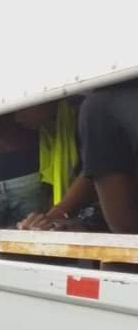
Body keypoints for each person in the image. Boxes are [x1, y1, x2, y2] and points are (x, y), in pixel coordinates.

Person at [20, 85, 138, 233]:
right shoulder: (50, 130)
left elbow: (124, 230)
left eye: (19, 108)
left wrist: (55, 216)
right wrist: (53, 217)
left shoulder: (99, 107)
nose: (17, 118)